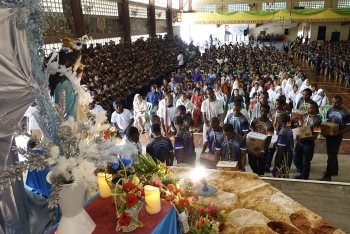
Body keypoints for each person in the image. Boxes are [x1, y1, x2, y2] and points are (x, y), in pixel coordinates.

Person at [321, 96, 350, 181]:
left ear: (341, 103)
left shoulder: (345, 113)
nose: (334, 104)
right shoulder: (330, 110)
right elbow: (327, 121)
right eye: (333, 102)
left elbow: (348, 127)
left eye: (336, 102)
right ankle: (334, 170)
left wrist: (339, 132)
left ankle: (328, 174)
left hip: (337, 136)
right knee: (330, 153)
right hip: (329, 135)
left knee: (332, 155)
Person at [293, 102, 322, 180]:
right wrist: (297, 133)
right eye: (307, 107)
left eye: (309, 108)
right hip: (300, 141)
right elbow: (300, 126)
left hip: (308, 143)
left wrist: (306, 138)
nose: (307, 109)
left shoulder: (317, 120)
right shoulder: (304, 115)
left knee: (306, 161)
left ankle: (304, 176)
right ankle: (301, 172)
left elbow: (315, 135)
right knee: (295, 158)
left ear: (314, 109)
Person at [249, 104, 274, 176]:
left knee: (261, 167)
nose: (263, 113)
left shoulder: (270, 125)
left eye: (265, 111)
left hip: (263, 148)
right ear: (260, 111)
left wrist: (263, 150)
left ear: (268, 112)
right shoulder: (254, 122)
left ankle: (260, 177)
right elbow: (250, 134)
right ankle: (256, 174)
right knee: (251, 163)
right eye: (262, 111)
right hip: (253, 146)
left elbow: (269, 139)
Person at [272, 113, 294, 178]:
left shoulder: (282, 132)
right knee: (286, 170)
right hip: (289, 152)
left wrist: (278, 158)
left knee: (278, 171)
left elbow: (282, 147)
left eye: (278, 119)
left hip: (283, 154)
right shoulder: (289, 129)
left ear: (281, 121)